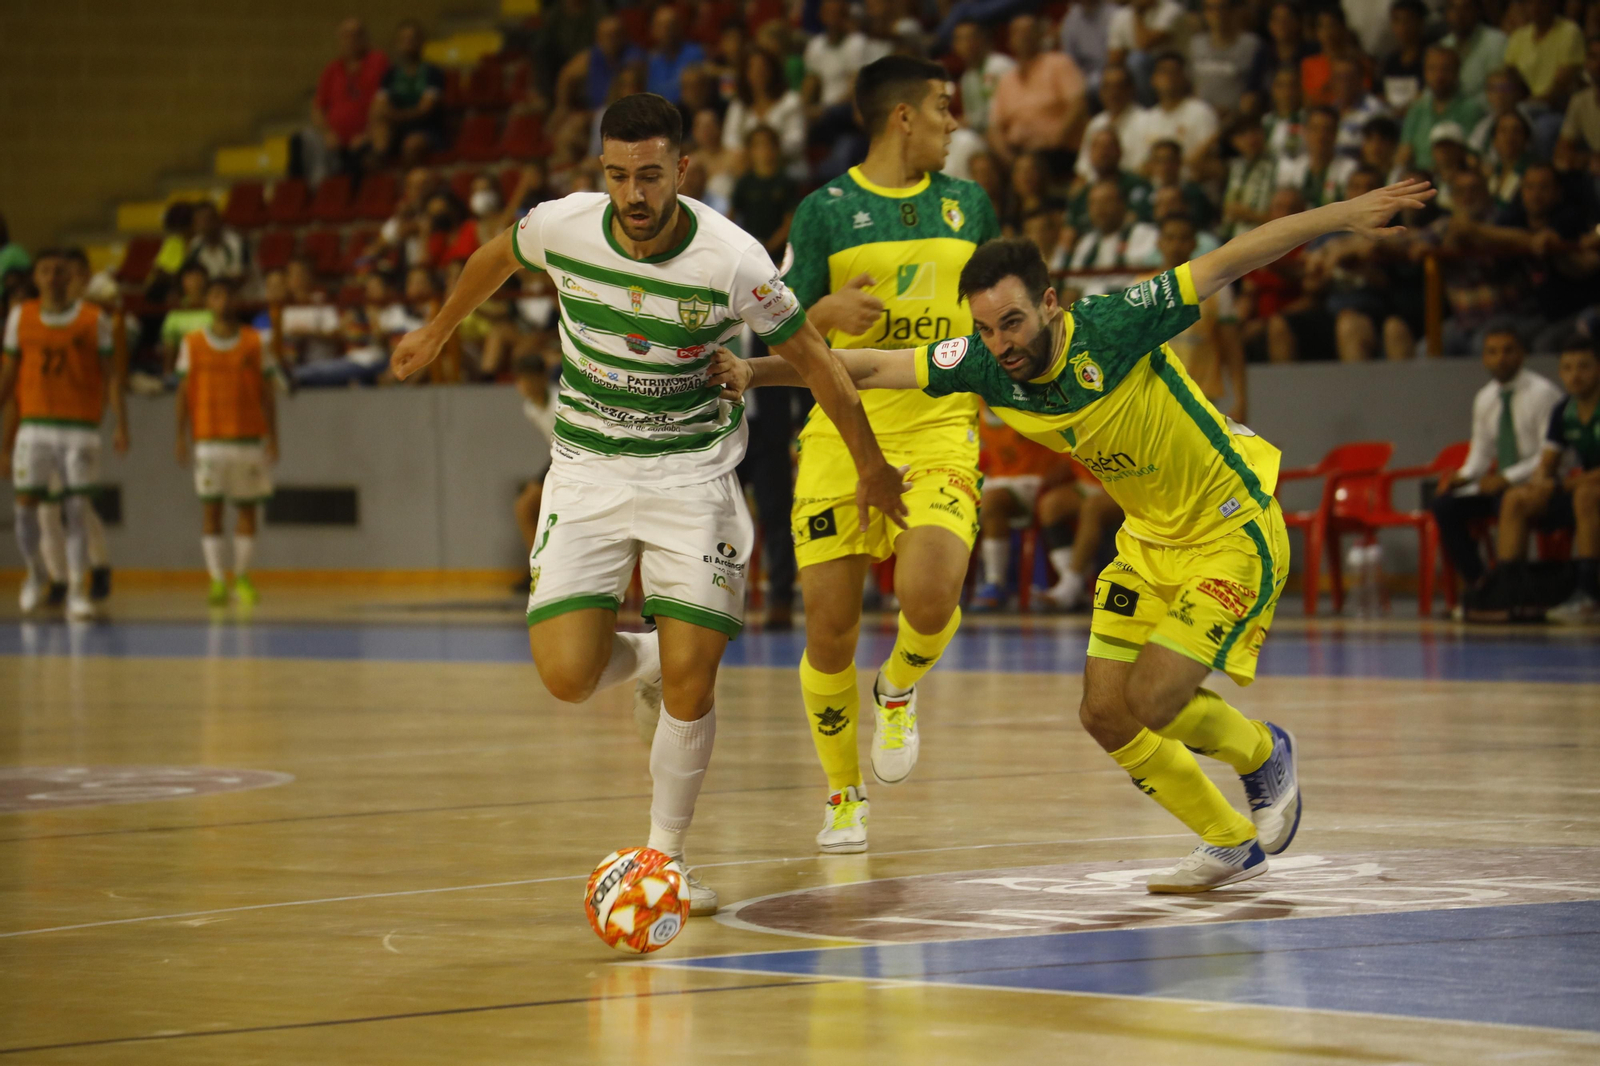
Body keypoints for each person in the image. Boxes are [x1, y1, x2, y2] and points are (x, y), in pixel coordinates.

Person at [720, 179, 1444, 891]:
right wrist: (751, 370)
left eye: (1011, 323)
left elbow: (1233, 258)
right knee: (1104, 713)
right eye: (983, 328)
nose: (998, 344)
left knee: (1153, 702)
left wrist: (1344, 215)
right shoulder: (986, 365)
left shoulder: (1119, 324)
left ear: (1050, 304)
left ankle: (1263, 752)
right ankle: (1229, 842)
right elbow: (869, 365)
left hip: (1231, 528)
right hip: (1148, 543)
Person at [387, 92, 905, 914]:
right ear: (603, 172)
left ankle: (664, 860)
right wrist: (441, 328)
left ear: (682, 172)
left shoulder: (733, 259)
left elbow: (815, 359)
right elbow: (496, 255)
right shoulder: (565, 225)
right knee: (567, 678)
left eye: (652, 177)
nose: (635, 194)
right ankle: (654, 658)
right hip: (588, 471)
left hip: (691, 476)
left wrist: (871, 465)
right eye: (620, 175)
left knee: (697, 684)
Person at [778, 56, 1000, 854]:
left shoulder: (969, 203)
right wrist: (822, 309)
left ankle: (899, 685)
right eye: (944, 108)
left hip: (940, 426)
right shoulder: (824, 212)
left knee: (931, 593)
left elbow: (1000, 309)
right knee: (830, 629)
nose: (954, 123)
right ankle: (844, 796)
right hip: (843, 430)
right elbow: (772, 322)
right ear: (903, 116)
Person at [0, 248, 128, 619]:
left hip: (79, 430)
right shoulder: (19, 317)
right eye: (45, 270)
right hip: (35, 428)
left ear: (70, 277)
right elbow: (9, 375)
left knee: (76, 511)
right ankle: (36, 573)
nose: (53, 276)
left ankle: (76, 588)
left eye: (59, 271)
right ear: (35, 278)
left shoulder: (93, 319)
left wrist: (122, 423)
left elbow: (112, 375)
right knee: (27, 512)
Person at [1431, 327, 1563, 601]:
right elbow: (1480, 453)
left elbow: (1549, 454)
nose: (1500, 358)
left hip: (1535, 484)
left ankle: (1513, 587)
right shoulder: (1485, 398)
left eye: (1508, 350)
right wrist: (1464, 476)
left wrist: (1508, 478)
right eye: (1492, 352)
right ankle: (1480, 582)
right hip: (1500, 486)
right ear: (1484, 359)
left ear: (1521, 355)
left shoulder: (1543, 393)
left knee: (1507, 502)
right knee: (1445, 505)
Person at [174, 278, 278, 607]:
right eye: (216, 294)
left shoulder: (253, 341)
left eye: (228, 293)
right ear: (207, 301)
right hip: (208, 437)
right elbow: (182, 392)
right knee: (212, 510)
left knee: (247, 510)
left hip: (247, 436)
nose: (223, 300)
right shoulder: (191, 342)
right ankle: (217, 580)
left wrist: (273, 436)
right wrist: (180, 435)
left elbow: (267, 393)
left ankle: (242, 575)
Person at [1497, 341, 1600, 623]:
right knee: (1517, 498)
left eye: (1584, 367)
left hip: (1588, 493)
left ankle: (1589, 594)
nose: (1575, 375)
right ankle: (1510, 593)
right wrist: (1540, 484)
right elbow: (1547, 463)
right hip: (1583, 491)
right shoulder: (1563, 411)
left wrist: (1563, 486)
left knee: (1586, 495)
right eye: (1567, 368)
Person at [972, 405, 1080, 610]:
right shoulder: (974, 404)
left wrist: (1053, 479)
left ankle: (995, 582)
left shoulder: (1025, 397)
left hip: (1036, 482)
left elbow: (1064, 446)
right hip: (997, 481)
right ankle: (955, 585)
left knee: (992, 500)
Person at [1149, 214, 1245, 420]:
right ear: (1159, 242)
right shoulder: (1140, 289)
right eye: (1170, 238)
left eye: (1183, 238)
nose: (1176, 245)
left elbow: (1233, 347)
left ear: (1194, 243)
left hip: (1201, 398)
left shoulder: (1218, 289)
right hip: (1151, 398)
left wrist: (1241, 399)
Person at [987, 13, 1088, 174]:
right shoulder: (1006, 80)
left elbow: (1078, 105)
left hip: (1058, 151)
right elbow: (994, 128)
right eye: (1017, 32)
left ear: (1040, 35)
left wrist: (1054, 140)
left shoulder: (1059, 63)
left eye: (1028, 31)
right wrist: (1010, 160)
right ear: (1009, 40)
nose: (1023, 37)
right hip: (1019, 154)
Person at [308, 17, 388, 181]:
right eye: (346, 35)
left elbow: (385, 102)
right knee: (300, 142)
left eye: (356, 35)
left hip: (365, 138)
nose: (351, 40)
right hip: (335, 140)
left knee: (359, 156)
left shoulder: (378, 62)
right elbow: (318, 108)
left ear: (365, 38)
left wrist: (368, 134)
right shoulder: (332, 69)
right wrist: (327, 133)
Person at [1123, 53, 1219, 182]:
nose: (1169, 76)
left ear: (1184, 79)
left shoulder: (1201, 112)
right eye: (1163, 71)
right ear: (1153, 80)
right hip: (1152, 191)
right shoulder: (1144, 119)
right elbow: (1139, 166)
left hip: (1189, 187)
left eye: (1174, 72)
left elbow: (1210, 162)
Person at [1398, 46, 1486, 172]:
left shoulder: (1472, 109)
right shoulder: (1417, 108)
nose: (1439, 76)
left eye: (1445, 69)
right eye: (1432, 69)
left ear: (1457, 72)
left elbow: (1473, 157)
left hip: (1455, 177)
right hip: (1420, 179)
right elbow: (1404, 153)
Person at [370, 20, 445, 164]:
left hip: (427, 128)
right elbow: (379, 106)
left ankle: (408, 179)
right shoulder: (390, 74)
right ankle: (378, 175)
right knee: (379, 130)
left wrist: (394, 116)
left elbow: (425, 110)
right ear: (397, 43)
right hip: (397, 126)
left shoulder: (433, 73)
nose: (408, 43)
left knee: (412, 143)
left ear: (421, 42)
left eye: (413, 39)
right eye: (404, 39)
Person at [1502, 0, 1585, 107]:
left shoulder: (1570, 32)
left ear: (1553, 4)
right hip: (1523, 105)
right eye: (1530, 3)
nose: (1535, 8)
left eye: (1542, 2)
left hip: (1558, 107)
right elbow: (1509, 75)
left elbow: (1561, 86)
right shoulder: (1518, 36)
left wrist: (1529, 104)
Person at [1188, 0, 1259, 118]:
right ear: (1204, 13)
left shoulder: (1251, 45)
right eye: (1211, 9)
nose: (1217, 14)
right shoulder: (1196, 45)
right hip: (1202, 119)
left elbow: (1256, 91)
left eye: (1222, 8)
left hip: (1237, 121)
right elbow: (1190, 86)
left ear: (1233, 11)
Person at [1076, 65, 1147, 180]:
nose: (1113, 93)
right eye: (1107, 87)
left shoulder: (1145, 120)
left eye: (1119, 87)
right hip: (1096, 189)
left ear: (1131, 89)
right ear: (1101, 91)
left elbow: (1145, 168)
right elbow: (1083, 170)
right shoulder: (1096, 123)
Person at [805, 0, 874, 110]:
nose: (832, 20)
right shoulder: (815, 45)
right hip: (823, 108)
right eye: (829, 13)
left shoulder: (857, 43)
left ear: (845, 16)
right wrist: (805, 107)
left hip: (846, 108)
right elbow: (811, 82)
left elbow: (855, 87)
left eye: (836, 14)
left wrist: (828, 110)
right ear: (821, 15)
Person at [951, 21, 1015, 136]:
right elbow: (971, 114)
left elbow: (1002, 109)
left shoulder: (999, 65)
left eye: (969, 38)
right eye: (959, 39)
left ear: (982, 40)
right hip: (983, 134)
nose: (965, 44)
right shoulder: (967, 77)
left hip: (1007, 127)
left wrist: (970, 121)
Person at [1439, 0, 1507, 100]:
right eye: (1453, 8)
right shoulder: (1443, 45)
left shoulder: (1497, 41)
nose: (1459, 14)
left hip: (1485, 110)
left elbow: (1499, 88)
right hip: (1448, 111)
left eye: (1465, 8)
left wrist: (1468, 109)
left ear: (1477, 11)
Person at [646, 5, 706, 104]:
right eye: (661, 26)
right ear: (653, 30)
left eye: (671, 25)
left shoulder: (695, 54)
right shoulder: (652, 60)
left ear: (679, 27)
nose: (667, 31)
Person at [1380, 0, 1428, 114]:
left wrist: (1407, 109)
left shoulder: (1429, 58)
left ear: (1420, 23)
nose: (1402, 27)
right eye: (1397, 21)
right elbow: (1379, 92)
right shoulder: (1390, 61)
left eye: (1408, 21)